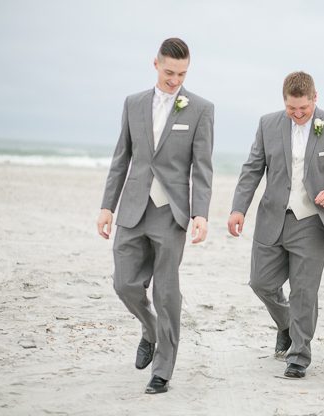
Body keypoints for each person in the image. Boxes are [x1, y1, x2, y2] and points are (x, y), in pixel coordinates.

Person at [96, 38, 214, 394]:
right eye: (169, 72)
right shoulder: (133, 104)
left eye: (182, 73)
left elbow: (202, 167)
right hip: (133, 207)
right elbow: (122, 158)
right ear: (155, 64)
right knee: (124, 284)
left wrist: (201, 213)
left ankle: (163, 368)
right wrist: (107, 206)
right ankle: (149, 328)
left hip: (171, 213)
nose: (175, 79)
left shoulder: (201, 109)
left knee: (166, 291)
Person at [227, 71, 324, 378]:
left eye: (304, 108)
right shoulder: (267, 124)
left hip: (313, 223)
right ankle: (286, 324)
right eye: (292, 109)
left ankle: (299, 355)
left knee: (304, 291)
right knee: (261, 282)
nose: (298, 114)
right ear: (284, 101)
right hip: (272, 217)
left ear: (315, 98)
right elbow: (252, 170)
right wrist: (238, 209)